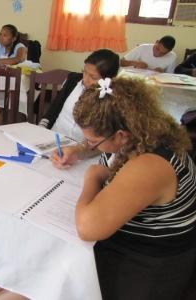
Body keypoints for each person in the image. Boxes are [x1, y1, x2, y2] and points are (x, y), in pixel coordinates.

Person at [71, 77, 196, 300]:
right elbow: (107, 158)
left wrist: (93, 176)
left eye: (92, 142)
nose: (88, 146)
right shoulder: (141, 135)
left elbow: (88, 228)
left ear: (120, 135)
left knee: (61, 273)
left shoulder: (150, 164)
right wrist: (86, 154)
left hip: (147, 266)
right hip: (136, 246)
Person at [39, 49, 119, 168]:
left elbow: (105, 141)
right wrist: (41, 130)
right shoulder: (73, 79)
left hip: (86, 151)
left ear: (109, 80)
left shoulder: (111, 98)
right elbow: (54, 108)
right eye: (84, 72)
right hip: (53, 140)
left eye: (93, 77)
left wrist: (78, 150)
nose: (85, 80)